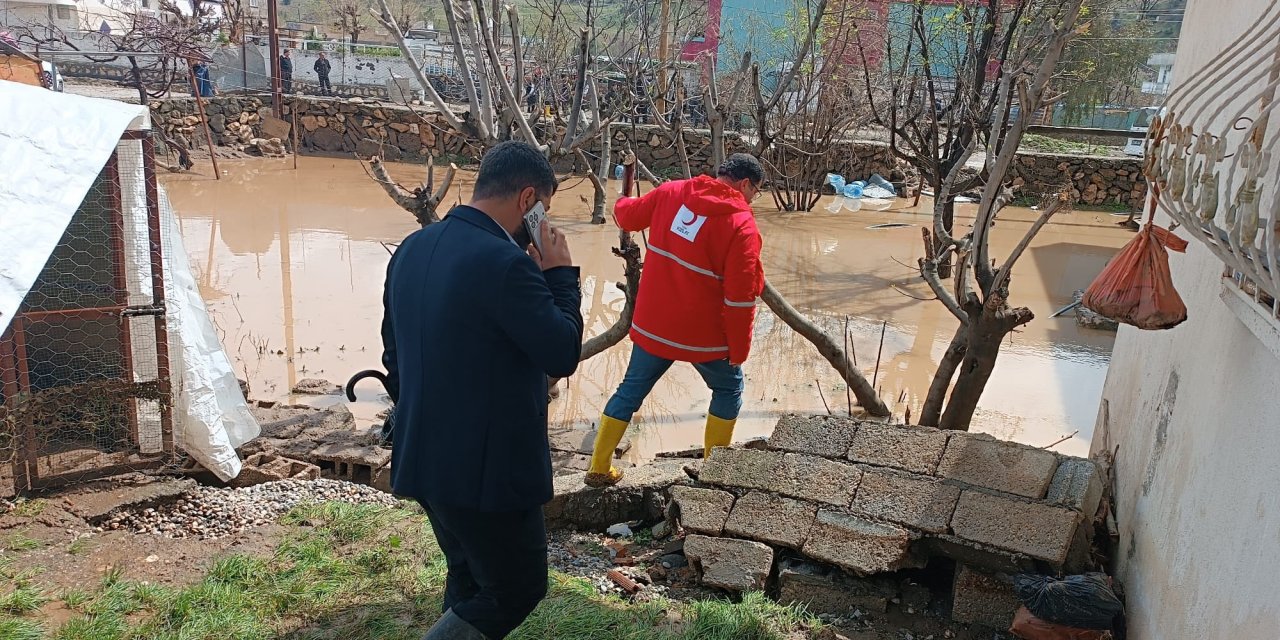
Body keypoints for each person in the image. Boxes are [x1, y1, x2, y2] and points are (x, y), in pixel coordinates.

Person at [381, 141, 584, 639]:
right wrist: (559, 276)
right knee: (516, 586)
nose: (544, 223)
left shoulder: (414, 246)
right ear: (528, 199)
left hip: (421, 454)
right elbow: (561, 354)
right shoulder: (507, 264)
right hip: (487, 474)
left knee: (471, 574)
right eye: (545, 211)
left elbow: (393, 354)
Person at [585, 154, 767, 488]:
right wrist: (738, 350)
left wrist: (625, 198)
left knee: (629, 391)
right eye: (756, 191)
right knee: (729, 388)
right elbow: (740, 300)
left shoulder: (671, 192)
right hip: (705, 338)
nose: (754, 198)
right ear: (743, 184)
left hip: (654, 326)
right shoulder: (742, 226)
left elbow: (626, 215)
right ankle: (713, 474)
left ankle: (598, 468)